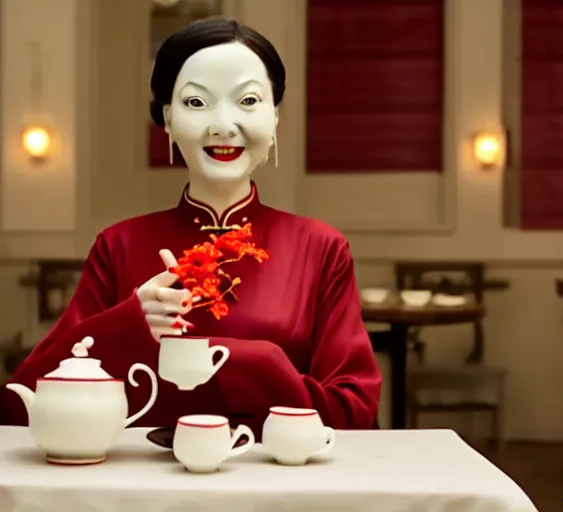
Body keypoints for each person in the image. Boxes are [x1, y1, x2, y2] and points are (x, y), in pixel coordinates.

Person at [0, 18, 382, 436]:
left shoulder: (320, 248)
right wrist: (130, 321)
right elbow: (20, 404)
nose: (222, 124)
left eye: (248, 101)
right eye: (197, 103)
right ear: (167, 119)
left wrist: (254, 361)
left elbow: (353, 413)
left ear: (275, 118)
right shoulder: (119, 245)